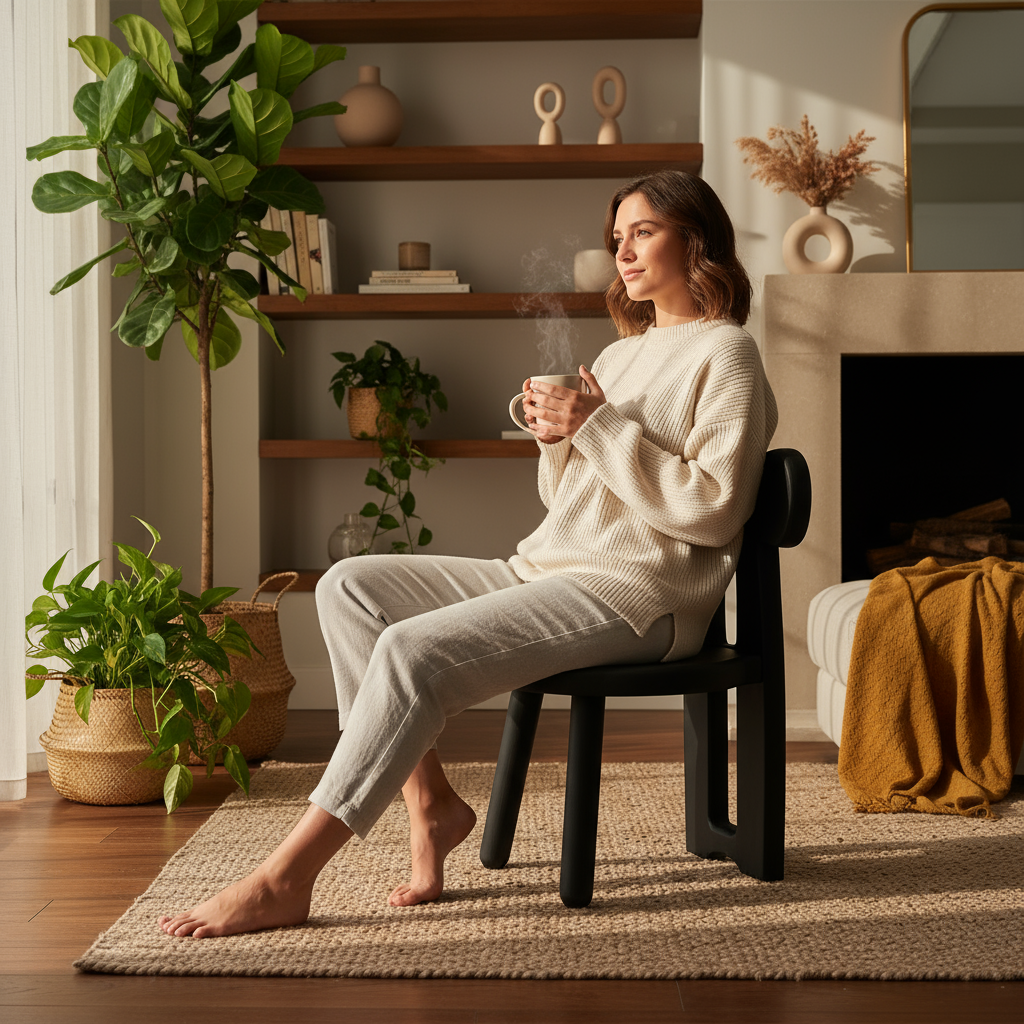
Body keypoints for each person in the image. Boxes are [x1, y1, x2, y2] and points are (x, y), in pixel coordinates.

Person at [158, 169, 778, 939]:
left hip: (640, 595)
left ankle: (285, 878)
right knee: (349, 587)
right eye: (617, 236)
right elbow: (567, 503)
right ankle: (431, 806)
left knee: (410, 651)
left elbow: (713, 511)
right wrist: (557, 440)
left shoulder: (728, 354)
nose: (623, 251)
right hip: (550, 568)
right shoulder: (621, 355)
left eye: (643, 232)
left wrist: (596, 427)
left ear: (697, 238)